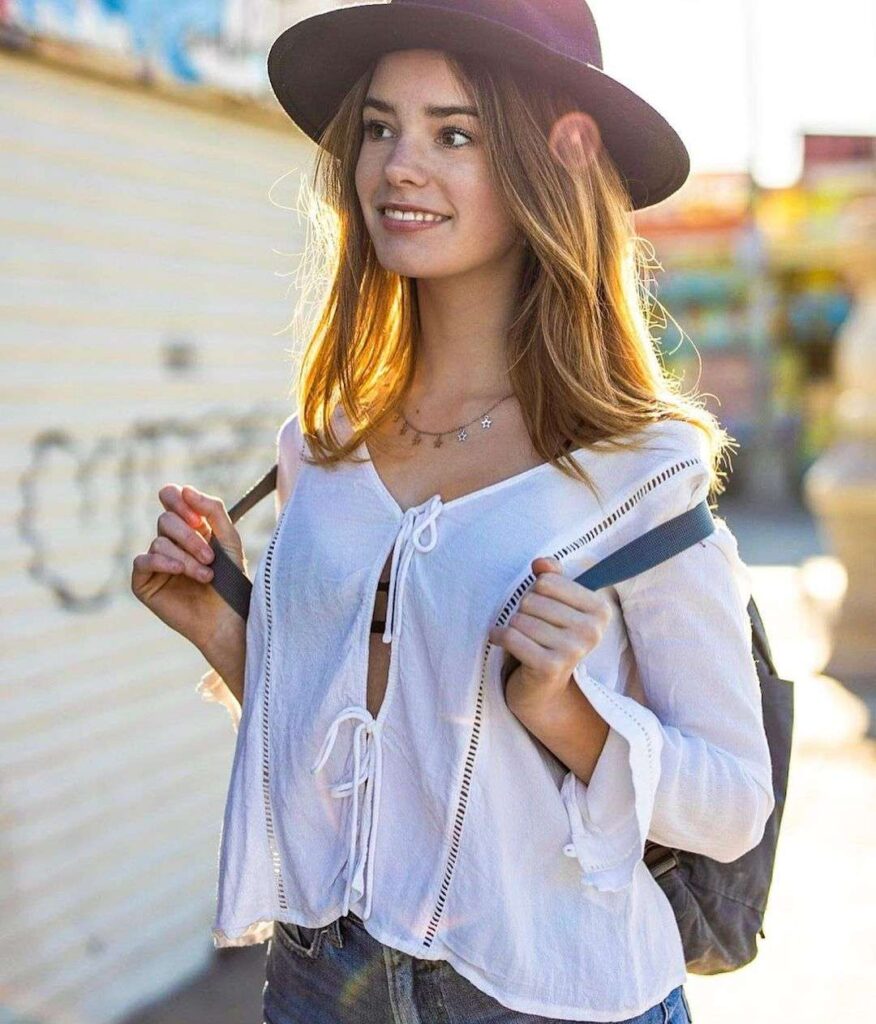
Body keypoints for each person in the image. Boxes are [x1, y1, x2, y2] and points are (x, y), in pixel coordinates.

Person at [131, 2, 774, 1022]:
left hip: (553, 996)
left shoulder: (638, 470)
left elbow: (735, 802)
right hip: (323, 986)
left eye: (455, 133)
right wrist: (223, 626)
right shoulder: (327, 444)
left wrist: (565, 709)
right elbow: (370, 754)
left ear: (546, 168)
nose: (399, 166)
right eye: (381, 127)